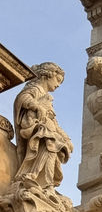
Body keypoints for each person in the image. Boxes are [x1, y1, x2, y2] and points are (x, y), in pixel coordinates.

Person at [13, 62, 73, 192]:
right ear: (47, 75)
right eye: (57, 80)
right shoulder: (36, 89)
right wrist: (36, 106)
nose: (58, 85)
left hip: (45, 127)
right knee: (51, 142)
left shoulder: (46, 96)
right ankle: (34, 174)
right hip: (32, 125)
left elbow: (54, 122)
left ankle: (46, 182)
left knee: (54, 148)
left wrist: (66, 138)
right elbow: (22, 98)